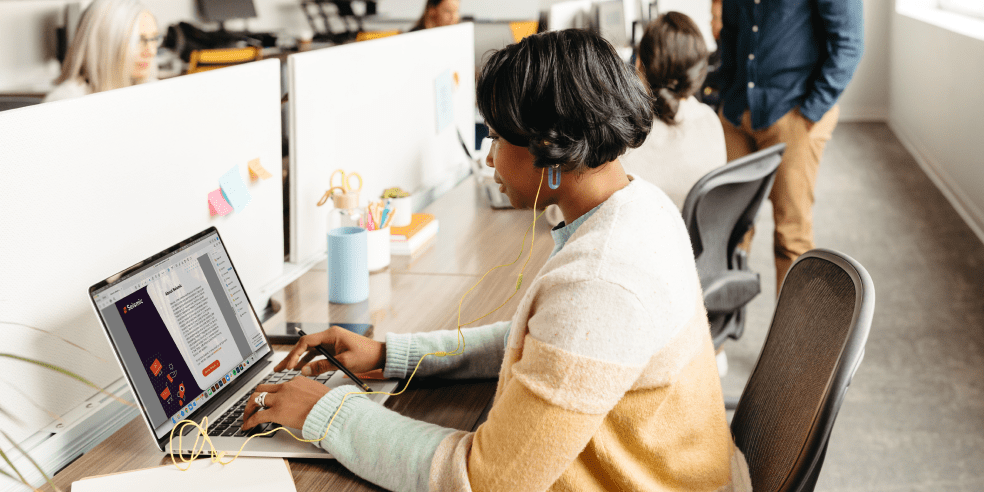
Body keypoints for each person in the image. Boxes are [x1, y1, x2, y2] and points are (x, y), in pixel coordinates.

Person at [241, 29, 750, 491]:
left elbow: (482, 480)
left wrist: (324, 411)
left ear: (551, 150)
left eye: (497, 137)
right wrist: (391, 356)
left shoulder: (601, 282)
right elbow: (537, 343)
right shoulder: (638, 204)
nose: (487, 157)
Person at [717, 0, 864, 290]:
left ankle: (791, 335)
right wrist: (722, 96)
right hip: (737, 113)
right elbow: (731, 33)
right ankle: (718, 331)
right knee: (728, 231)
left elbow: (849, 43)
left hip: (791, 112)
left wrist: (809, 113)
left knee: (791, 235)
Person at [620, 11, 727, 210]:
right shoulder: (710, 119)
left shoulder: (628, 141)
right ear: (699, 70)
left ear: (639, 63)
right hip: (693, 239)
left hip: (647, 239)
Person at [44, 0, 160, 103]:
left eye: (154, 38)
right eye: (138, 40)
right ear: (105, 45)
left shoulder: (153, 90)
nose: (151, 51)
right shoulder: (64, 103)